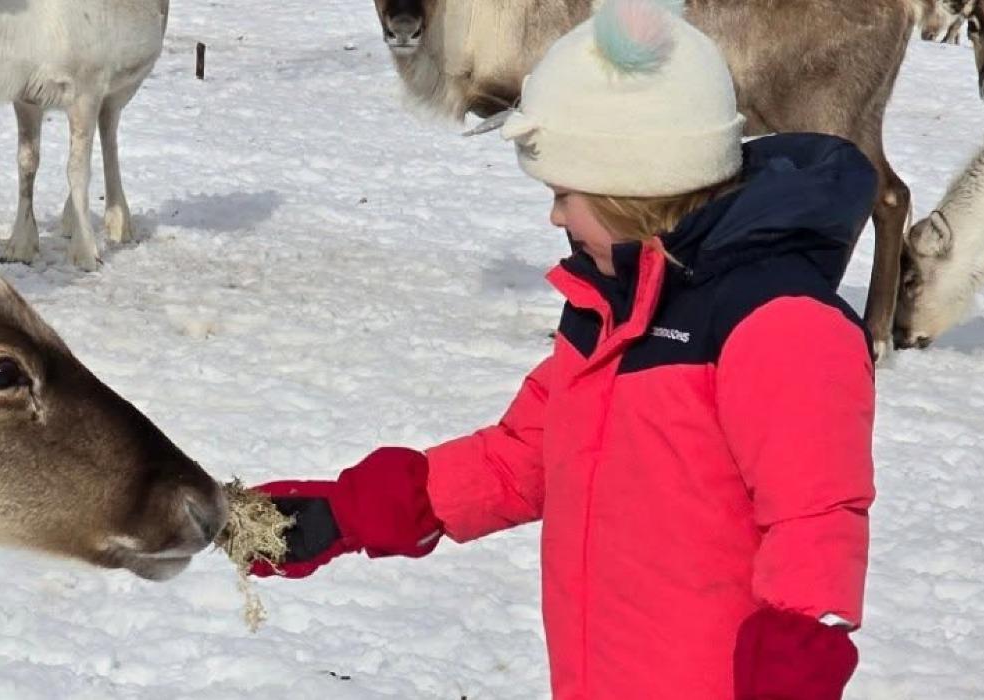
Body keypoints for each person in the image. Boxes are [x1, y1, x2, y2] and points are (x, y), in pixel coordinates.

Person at [248, 1, 877, 698]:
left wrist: (791, 673)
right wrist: (348, 512)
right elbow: (524, 456)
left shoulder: (777, 324)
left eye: (564, 193)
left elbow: (814, 521)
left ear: (630, 185)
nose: (554, 215)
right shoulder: (611, 305)